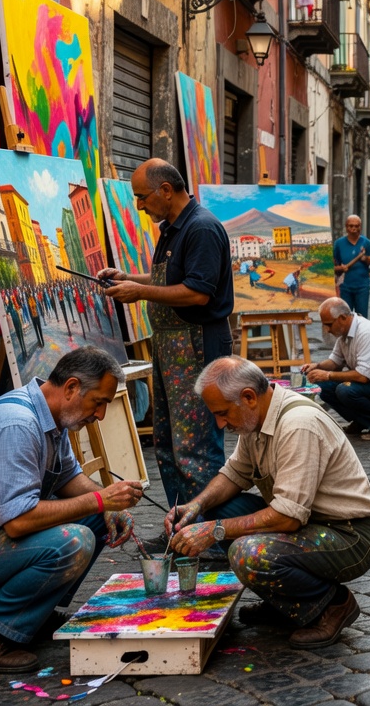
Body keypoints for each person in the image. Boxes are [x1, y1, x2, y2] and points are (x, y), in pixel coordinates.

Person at [0, 348, 142, 673]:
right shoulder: (17, 425)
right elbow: (18, 522)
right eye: (99, 402)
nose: (102, 414)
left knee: (97, 517)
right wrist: (102, 500)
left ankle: (35, 614)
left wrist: (107, 502)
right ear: (72, 388)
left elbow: (70, 478)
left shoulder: (51, 417)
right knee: (74, 540)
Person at [165, 357, 370, 649]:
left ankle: (332, 604)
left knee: (248, 552)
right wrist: (196, 506)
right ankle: (287, 602)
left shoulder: (298, 425)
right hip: (306, 520)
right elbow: (234, 474)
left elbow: (287, 518)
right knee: (212, 511)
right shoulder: (256, 418)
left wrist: (216, 530)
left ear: (248, 397)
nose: (220, 423)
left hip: (347, 535)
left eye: (222, 413)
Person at [99, 159, 234, 509]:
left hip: (196, 347)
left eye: (142, 197)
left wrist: (139, 293)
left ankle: (206, 527)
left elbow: (196, 292)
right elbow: (168, 281)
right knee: (170, 441)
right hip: (171, 348)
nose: (139, 205)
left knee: (195, 445)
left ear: (166, 190)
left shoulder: (201, 229)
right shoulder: (174, 227)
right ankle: (179, 524)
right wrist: (128, 278)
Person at [302, 298, 370, 440]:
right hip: (369, 384)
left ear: (342, 318)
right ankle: (362, 420)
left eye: (328, 324)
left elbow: (362, 376)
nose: (327, 329)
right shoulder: (343, 335)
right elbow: (335, 362)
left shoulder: (366, 332)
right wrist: (317, 366)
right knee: (322, 386)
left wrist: (327, 375)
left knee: (345, 389)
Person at [333, 215, 370, 317]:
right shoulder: (339, 244)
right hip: (345, 286)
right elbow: (333, 265)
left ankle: (361, 333)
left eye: (357, 226)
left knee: (362, 316)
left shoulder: (366, 242)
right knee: (346, 316)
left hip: (362, 286)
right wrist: (340, 268)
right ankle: (348, 334)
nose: (354, 229)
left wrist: (365, 259)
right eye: (351, 226)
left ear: (360, 227)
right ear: (346, 227)